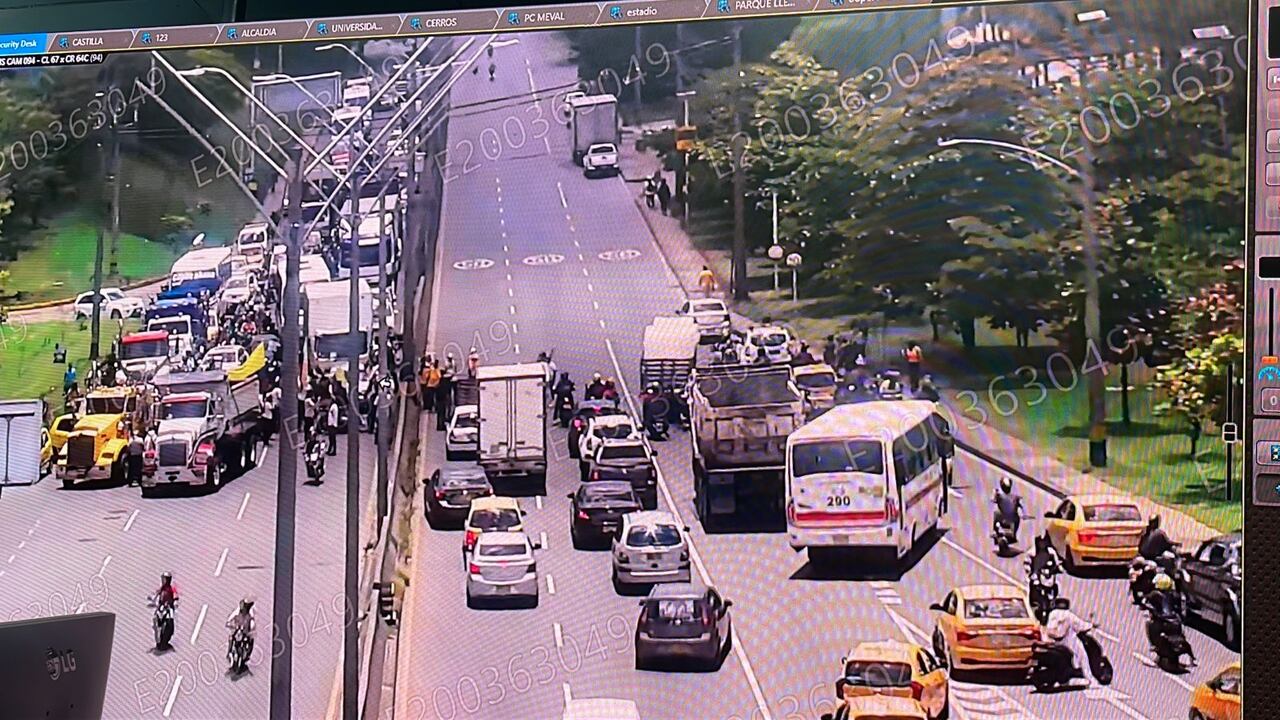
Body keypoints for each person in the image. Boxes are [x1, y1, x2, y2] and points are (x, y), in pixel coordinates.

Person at [1044, 597, 1095, 687]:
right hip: (1067, 641)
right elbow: (1081, 625)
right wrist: (1091, 625)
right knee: (1083, 655)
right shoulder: (1068, 615)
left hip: (1053, 642)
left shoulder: (1052, 614)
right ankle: (1090, 678)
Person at [225, 598, 256, 669]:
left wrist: (251, 629)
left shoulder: (249, 615)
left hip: (245, 633)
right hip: (238, 632)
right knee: (231, 637)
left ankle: (248, 654)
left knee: (251, 639)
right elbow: (230, 620)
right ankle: (229, 651)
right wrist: (230, 625)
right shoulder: (237, 614)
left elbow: (252, 623)